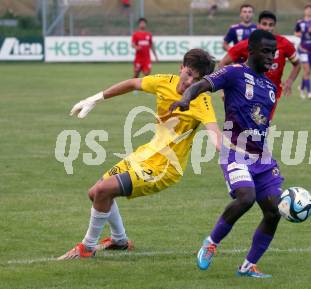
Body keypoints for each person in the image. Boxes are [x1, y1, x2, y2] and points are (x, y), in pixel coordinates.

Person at [58, 49, 221, 260]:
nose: (190, 82)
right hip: (145, 154)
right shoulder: (165, 81)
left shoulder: (201, 101)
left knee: (103, 190)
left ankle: (87, 247)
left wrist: (229, 150)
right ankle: (120, 240)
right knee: (95, 193)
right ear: (181, 68)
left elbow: (214, 131)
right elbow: (132, 83)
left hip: (165, 168)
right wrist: (96, 98)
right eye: (188, 73)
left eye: (197, 79)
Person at [170, 30, 283, 278]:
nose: (271, 57)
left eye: (273, 52)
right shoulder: (233, 72)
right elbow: (202, 84)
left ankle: (248, 266)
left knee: (275, 211)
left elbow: (260, 121)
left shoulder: (271, 86)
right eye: (265, 51)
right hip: (234, 151)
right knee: (245, 197)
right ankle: (211, 242)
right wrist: (186, 99)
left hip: (262, 157)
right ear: (250, 50)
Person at [219, 10, 300, 118]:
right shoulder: (247, 44)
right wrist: (224, 90)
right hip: (247, 91)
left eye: (271, 25)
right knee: (245, 126)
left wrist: (290, 81)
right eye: (264, 24)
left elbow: (297, 64)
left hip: (271, 93)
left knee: (262, 127)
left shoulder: (284, 43)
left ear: (274, 27)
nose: (267, 28)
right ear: (258, 25)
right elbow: (223, 63)